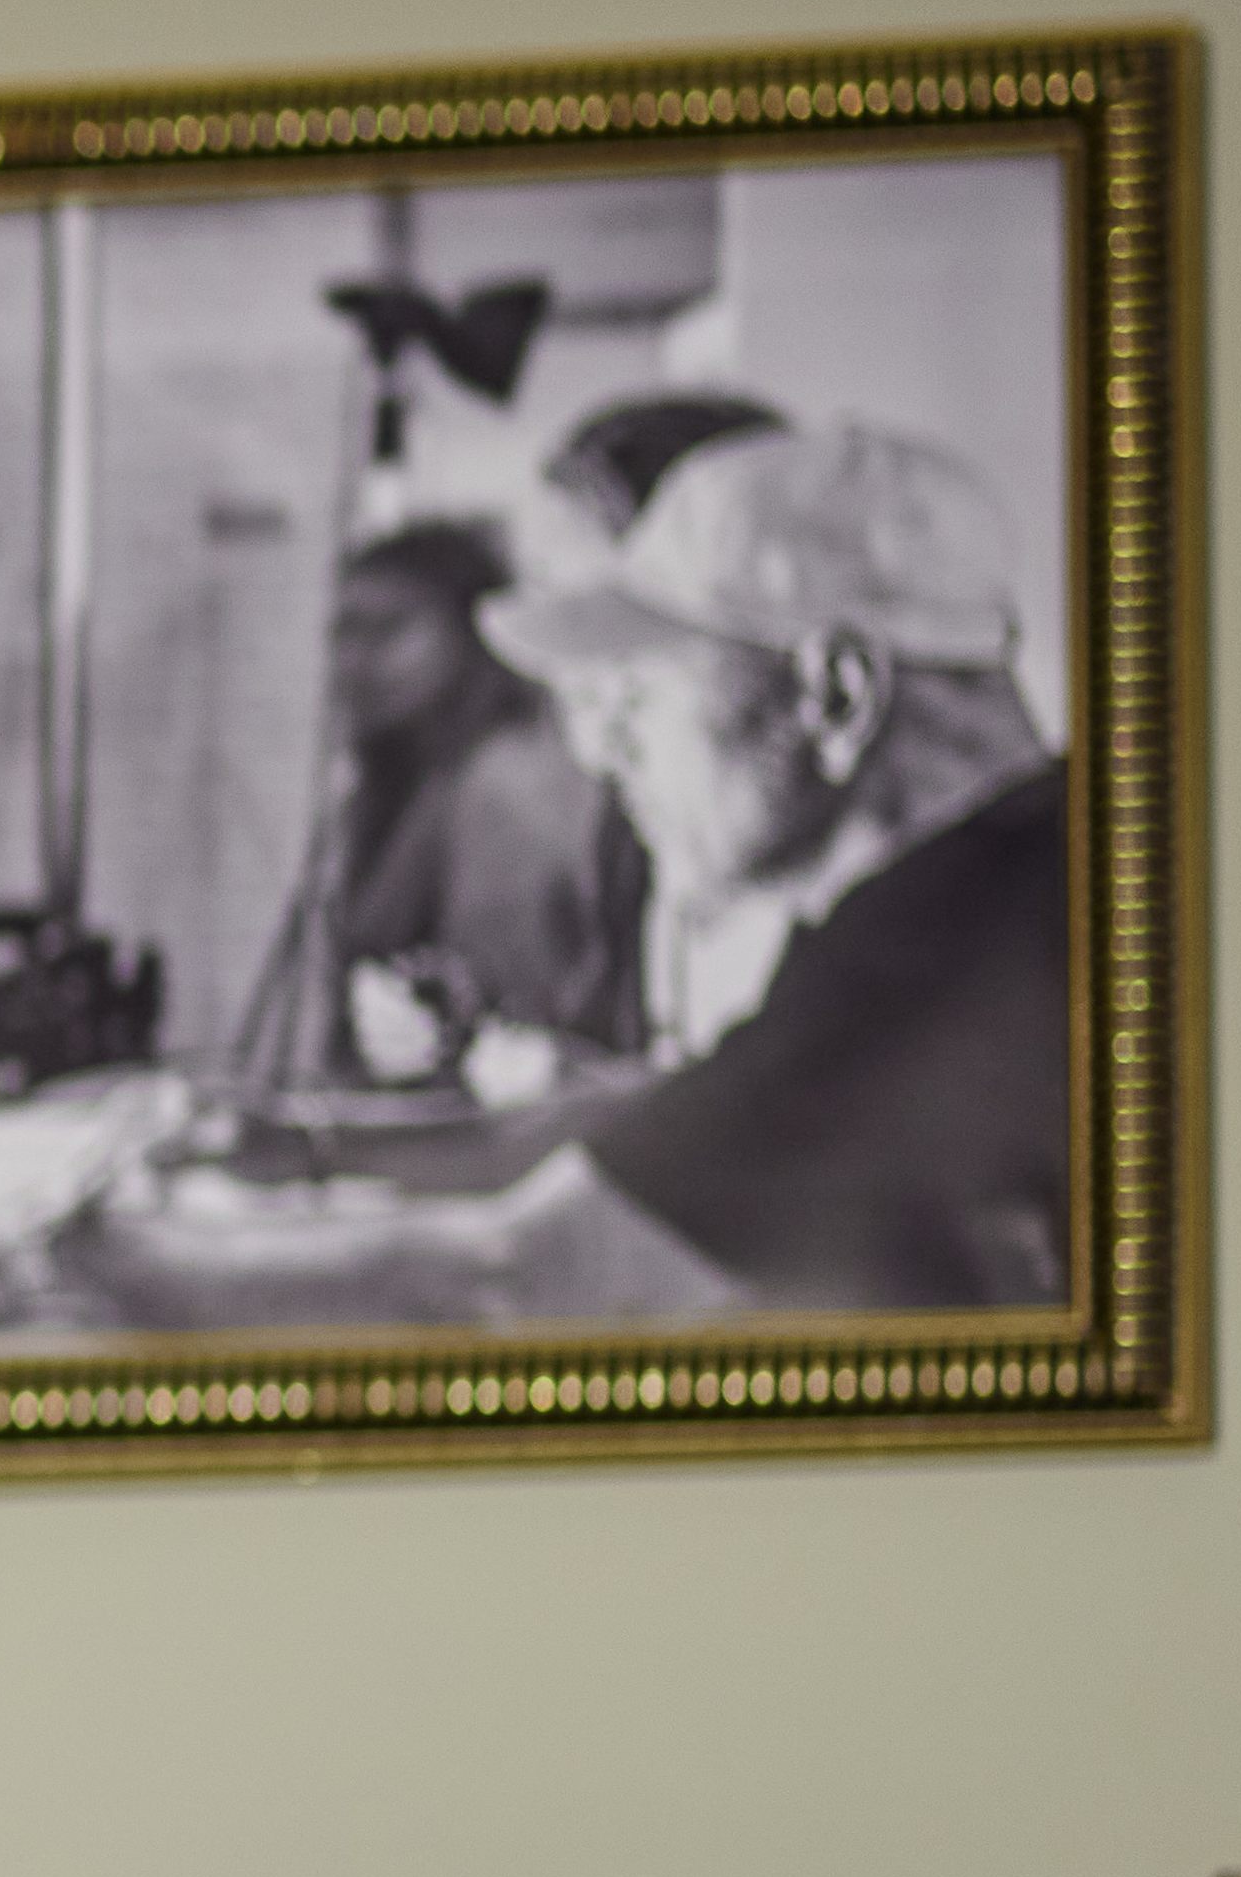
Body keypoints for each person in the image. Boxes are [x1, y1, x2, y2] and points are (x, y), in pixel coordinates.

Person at [80, 413, 1066, 1327]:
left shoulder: (931, 944)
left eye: (640, 697)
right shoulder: (1016, 877)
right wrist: (315, 1143)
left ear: (833, 693)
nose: (601, 753)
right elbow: (677, 1114)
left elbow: (522, 1283)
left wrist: (86, 1260)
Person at [280, 516, 647, 1093]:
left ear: (475, 631)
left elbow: (513, 1025)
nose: (352, 662)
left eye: (387, 631)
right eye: (343, 632)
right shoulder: (409, 779)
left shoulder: (507, 788)